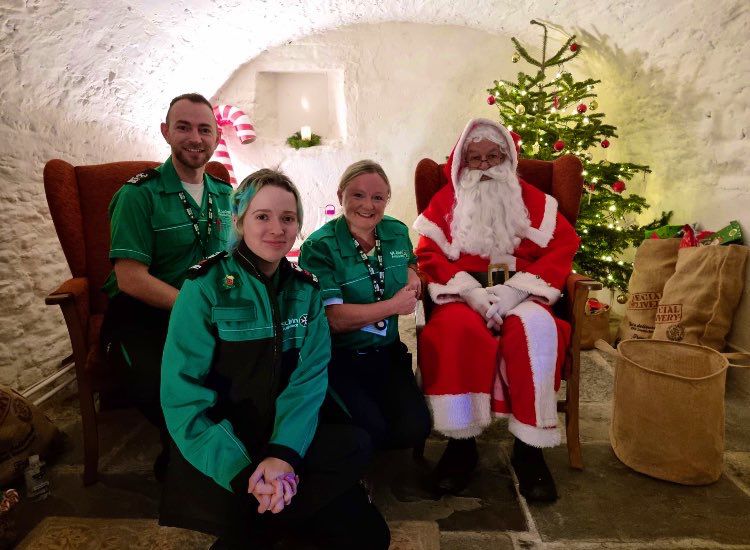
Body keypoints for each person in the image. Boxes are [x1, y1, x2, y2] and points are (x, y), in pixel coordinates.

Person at [159, 169, 389, 549]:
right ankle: (268, 508)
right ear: (239, 221)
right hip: (230, 441)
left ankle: (269, 511)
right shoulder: (204, 288)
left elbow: (309, 380)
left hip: (283, 433)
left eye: (287, 218)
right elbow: (182, 395)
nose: (276, 229)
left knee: (370, 529)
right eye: (262, 216)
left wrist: (283, 455)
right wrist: (243, 471)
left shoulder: (305, 290)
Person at [413, 118, 580, 502]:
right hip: (462, 296)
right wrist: (469, 292)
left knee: (536, 331)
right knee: (453, 332)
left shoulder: (538, 203)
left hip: (524, 294)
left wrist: (515, 293)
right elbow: (428, 253)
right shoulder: (446, 204)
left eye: (494, 156)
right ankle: (461, 445)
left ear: (508, 157)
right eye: (476, 159)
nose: (486, 166)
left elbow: (562, 249)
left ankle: (530, 449)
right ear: (462, 164)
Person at [100, 92, 232, 480]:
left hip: (207, 310)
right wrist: (197, 312)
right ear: (166, 132)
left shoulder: (227, 195)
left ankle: (213, 455)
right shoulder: (138, 194)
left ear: (217, 136)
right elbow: (130, 278)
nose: (196, 137)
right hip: (145, 312)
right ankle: (182, 460)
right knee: (166, 390)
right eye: (184, 127)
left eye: (204, 129)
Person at [299, 160, 431, 452]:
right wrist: (393, 305)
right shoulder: (319, 247)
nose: (368, 205)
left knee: (416, 428)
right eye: (357, 195)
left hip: (387, 353)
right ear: (340, 196)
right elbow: (333, 319)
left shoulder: (396, 232)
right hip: (342, 359)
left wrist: (412, 272)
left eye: (378, 197)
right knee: (371, 432)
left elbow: (409, 261)